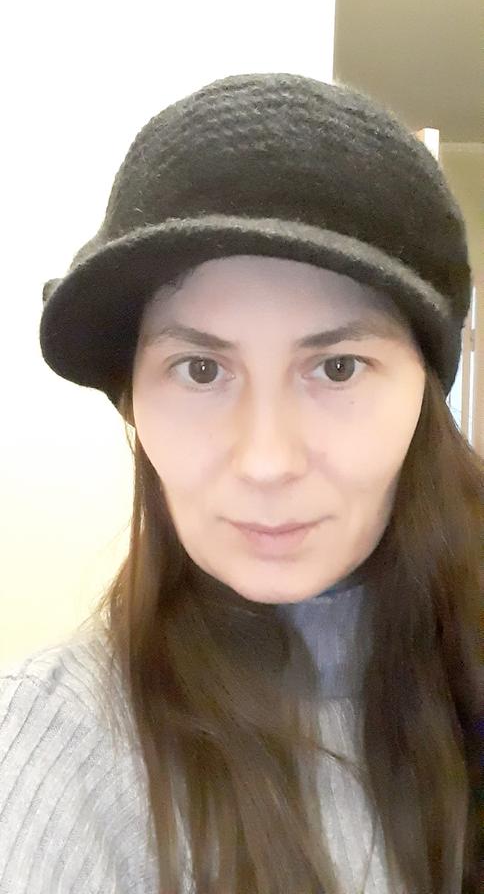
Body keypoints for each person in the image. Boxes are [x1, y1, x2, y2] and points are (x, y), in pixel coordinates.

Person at [0, 73, 481, 894]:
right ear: (133, 400)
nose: (265, 461)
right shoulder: (60, 745)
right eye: (199, 368)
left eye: (337, 367)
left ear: (426, 396)